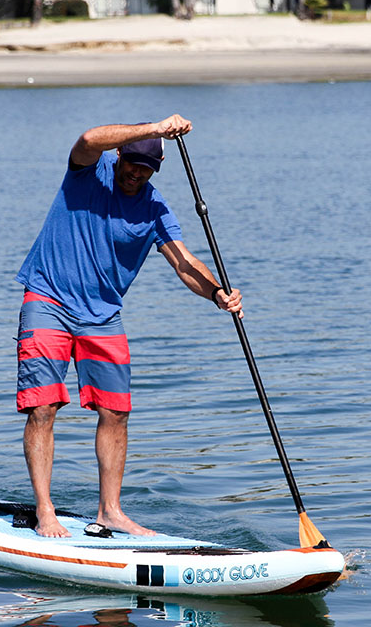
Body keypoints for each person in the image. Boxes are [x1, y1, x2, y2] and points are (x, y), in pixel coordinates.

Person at [15, 114, 243, 538]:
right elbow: (87, 138)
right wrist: (154, 130)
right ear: (119, 155)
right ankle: (45, 511)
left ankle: (110, 512)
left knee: (116, 412)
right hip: (48, 300)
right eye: (133, 163)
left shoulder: (154, 207)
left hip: (103, 314)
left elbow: (183, 262)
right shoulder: (89, 173)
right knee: (43, 407)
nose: (137, 173)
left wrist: (217, 293)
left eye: (147, 168)